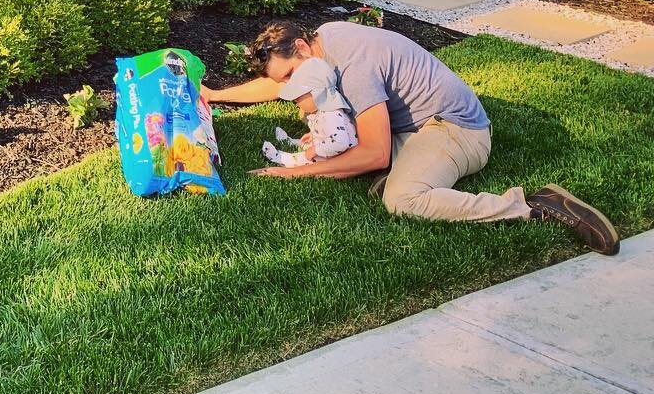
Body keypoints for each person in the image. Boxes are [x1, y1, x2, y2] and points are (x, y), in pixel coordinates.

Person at [205, 20, 620, 254]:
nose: (293, 86)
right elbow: (277, 85)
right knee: (336, 152)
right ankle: (405, 169)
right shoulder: (324, 40)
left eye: (293, 74)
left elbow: (372, 151)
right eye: (287, 79)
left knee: (402, 200)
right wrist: (214, 95)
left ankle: (532, 206)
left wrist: (292, 175)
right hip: (414, 127)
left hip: (456, 130)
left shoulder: (355, 67)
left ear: (300, 47)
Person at [259, 56, 358, 168]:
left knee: (306, 157)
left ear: (316, 94)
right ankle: (290, 142)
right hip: (330, 146)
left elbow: (340, 143)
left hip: (340, 157)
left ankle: (281, 158)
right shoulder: (325, 110)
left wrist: (316, 150)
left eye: (298, 98)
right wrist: (313, 134)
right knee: (312, 144)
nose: (295, 102)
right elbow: (329, 131)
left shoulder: (331, 115)